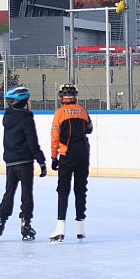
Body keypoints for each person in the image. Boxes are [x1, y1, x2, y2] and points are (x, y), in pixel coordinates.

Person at [0, 86, 47, 241]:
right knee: (26, 193)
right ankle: (25, 224)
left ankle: (0, 221)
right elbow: (32, 142)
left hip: (10, 162)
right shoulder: (26, 119)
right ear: (25, 102)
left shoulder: (7, 117)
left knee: (9, 192)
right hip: (24, 162)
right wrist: (41, 161)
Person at [49, 83, 92, 243]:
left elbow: (55, 136)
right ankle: (80, 229)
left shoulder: (60, 113)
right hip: (83, 154)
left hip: (67, 154)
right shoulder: (82, 110)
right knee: (81, 189)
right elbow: (89, 129)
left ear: (61, 98)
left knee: (63, 189)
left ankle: (60, 228)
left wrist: (54, 158)